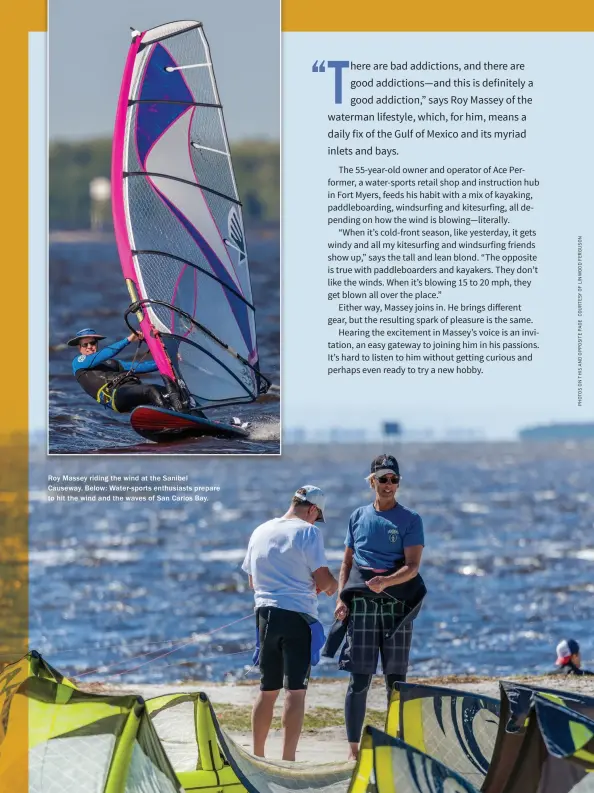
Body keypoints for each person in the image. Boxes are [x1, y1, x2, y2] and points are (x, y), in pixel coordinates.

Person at [334, 454, 425, 760]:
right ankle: (353, 750)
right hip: (361, 607)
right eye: (383, 479)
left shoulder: (411, 519)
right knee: (359, 679)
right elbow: (347, 561)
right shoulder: (357, 516)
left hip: (397, 609)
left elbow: (412, 567)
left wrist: (385, 582)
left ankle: (396, 745)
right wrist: (341, 599)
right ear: (371, 481)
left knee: (395, 682)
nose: (389, 485)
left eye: (394, 480)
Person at [242, 486, 338, 761]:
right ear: (312, 509)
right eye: (316, 516)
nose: (315, 521)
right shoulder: (309, 532)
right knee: (295, 692)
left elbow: (252, 581)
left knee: (267, 688)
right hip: (297, 617)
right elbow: (323, 581)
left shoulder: (260, 530)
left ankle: (258, 756)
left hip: (264, 616)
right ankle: (288, 761)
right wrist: (335, 585)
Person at [68, 327, 180, 413]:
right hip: (115, 396)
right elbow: (105, 353)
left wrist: (171, 360)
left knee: (168, 391)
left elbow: (142, 366)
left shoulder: (112, 363)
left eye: (92, 343)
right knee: (151, 390)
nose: (89, 347)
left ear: (96, 344)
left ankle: (185, 411)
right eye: (85, 344)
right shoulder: (78, 362)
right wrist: (128, 339)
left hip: (131, 388)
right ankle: (174, 417)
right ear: (79, 348)